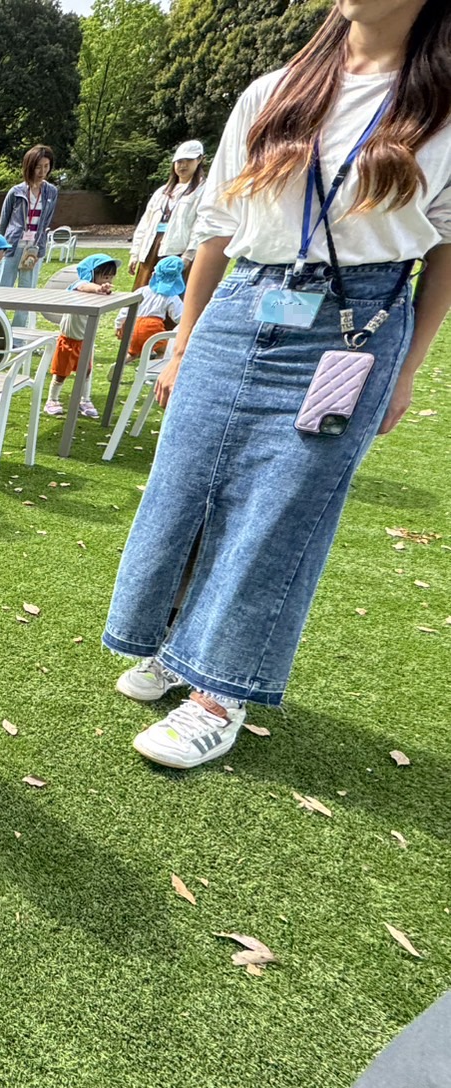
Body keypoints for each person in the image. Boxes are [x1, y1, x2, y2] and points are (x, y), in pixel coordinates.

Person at [104, 0, 451, 769]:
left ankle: (217, 694)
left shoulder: (439, 107)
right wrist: (183, 342)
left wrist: (406, 367)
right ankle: (174, 644)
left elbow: (446, 247)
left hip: (354, 325)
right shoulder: (274, 91)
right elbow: (216, 228)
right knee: (183, 490)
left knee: (279, 509)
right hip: (240, 304)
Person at [44, 253, 119, 418]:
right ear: (91, 274)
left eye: (111, 277)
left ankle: (85, 400)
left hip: (86, 342)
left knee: (86, 372)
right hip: (68, 341)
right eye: (105, 277)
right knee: (60, 373)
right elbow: (84, 286)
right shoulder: (79, 286)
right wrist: (98, 289)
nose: (108, 281)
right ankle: (52, 400)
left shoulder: (101, 294)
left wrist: (102, 291)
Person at [128, 140, 209, 289]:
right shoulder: (162, 192)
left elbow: (201, 226)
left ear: (199, 160)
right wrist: (135, 253)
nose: (183, 165)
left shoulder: (204, 191)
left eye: (188, 160)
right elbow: (145, 223)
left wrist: (188, 256)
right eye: (179, 161)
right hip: (151, 248)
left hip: (177, 252)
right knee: (143, 294)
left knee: (172, 297)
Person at [0, 145, 60, 327]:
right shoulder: (16, 192)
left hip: (33, 249)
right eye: (38, 167)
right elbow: (4, 222)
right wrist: (2, 247)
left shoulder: (51, 192)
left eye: (46, 166)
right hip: (13, 247)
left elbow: (46, 222)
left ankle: (18, 336)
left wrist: (40, 249)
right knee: (2, 290)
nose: (42, 172)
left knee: (26, 294)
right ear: (29, 166)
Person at [116, 254, 186, 359]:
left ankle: (119, 364)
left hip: (134, 325)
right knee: (163, 351)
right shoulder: (170, 296)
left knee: (134, 352)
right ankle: (154, 366)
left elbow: (126, 308)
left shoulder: (142, 290)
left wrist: (118, 324)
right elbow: (179, 316)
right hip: (152, 327)